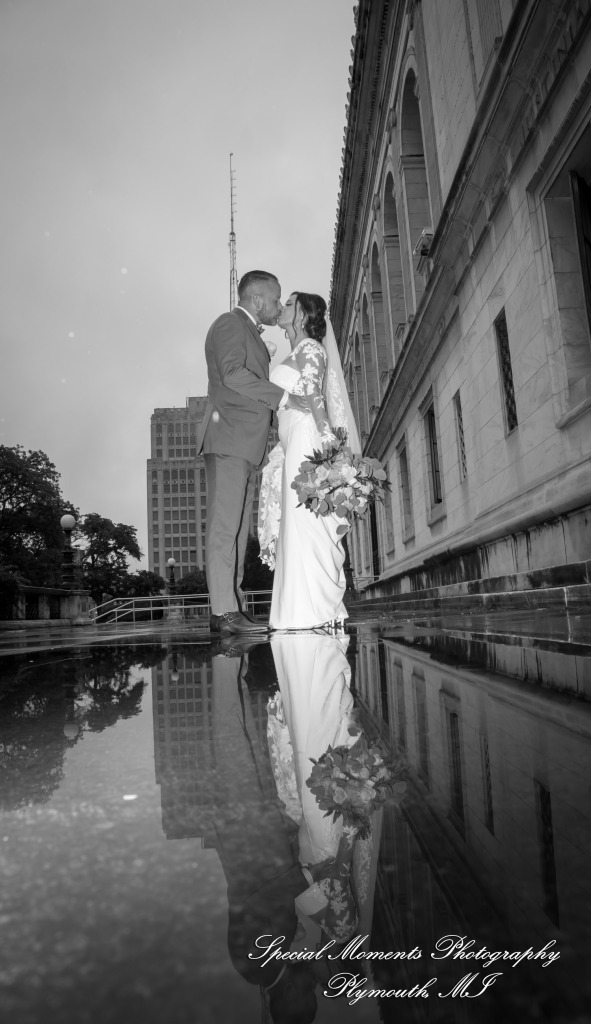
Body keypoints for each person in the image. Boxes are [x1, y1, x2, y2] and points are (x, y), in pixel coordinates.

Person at [259, 292, 361, 631]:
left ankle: (316, 608)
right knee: (297, 522)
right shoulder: (295, 352)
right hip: (292, 440)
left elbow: (315, 394)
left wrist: (327, 440)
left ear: (303, 315)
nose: (283, 307)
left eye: (290, 304)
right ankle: (299, 609)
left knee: (306, 522)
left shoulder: (311, 348)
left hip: (306, 439)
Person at [197, 270, 288, 635]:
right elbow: (233, 374)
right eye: (276, 299)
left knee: (237, 531)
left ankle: (232, 607)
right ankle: (223, 611)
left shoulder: (249, 331)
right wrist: (282, 398)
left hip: (245, 445)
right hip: (229, 440)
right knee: (225, 527)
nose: (278, 307)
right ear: (257, 299)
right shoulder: (230, 323)